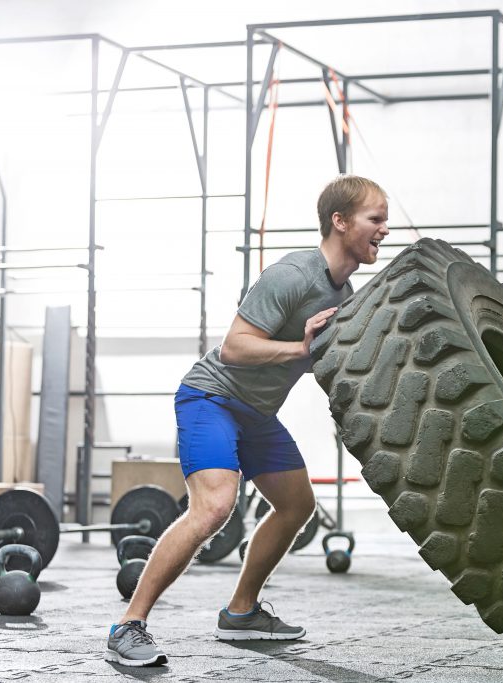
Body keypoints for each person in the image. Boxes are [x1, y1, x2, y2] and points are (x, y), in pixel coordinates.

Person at [105, 175, 390, 666]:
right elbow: (235, 347)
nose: (384, 230)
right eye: (376, 219)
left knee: (296, 506)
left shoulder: (345, 297)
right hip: (211, 398)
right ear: (340, 222)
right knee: (214, 508)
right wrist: (298, 347)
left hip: (256, 415)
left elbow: (327, 366)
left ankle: (241, 614)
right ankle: (128, 625)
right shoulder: (293, 275)